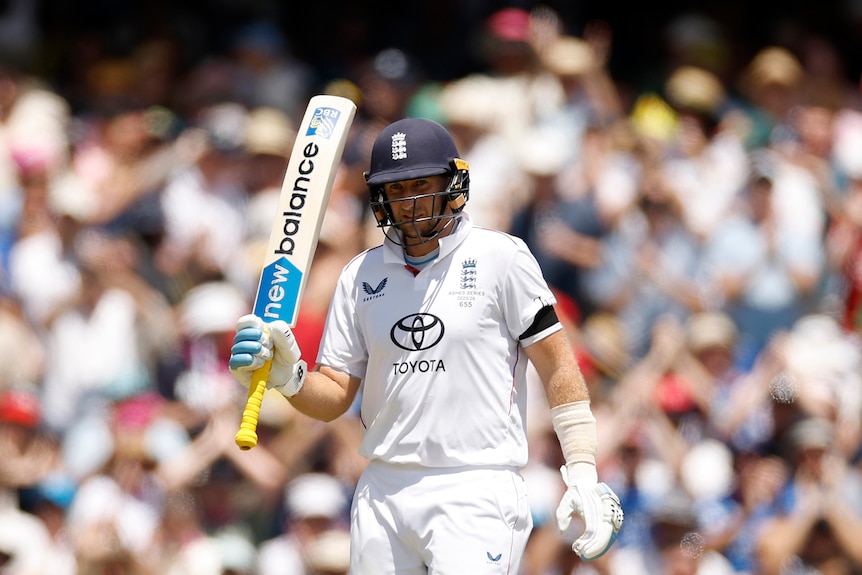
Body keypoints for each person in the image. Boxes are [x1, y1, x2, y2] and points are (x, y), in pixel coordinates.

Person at [228, 117, 623, 573]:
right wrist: (290, 378)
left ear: (452, 184)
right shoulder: (359, 275)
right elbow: (335, 395)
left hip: (476, 487)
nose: (409, 202)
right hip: (382, 488)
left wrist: (582, 468)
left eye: (421, 185)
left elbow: (558, 367)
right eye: (396, 189)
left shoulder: (502, 258)